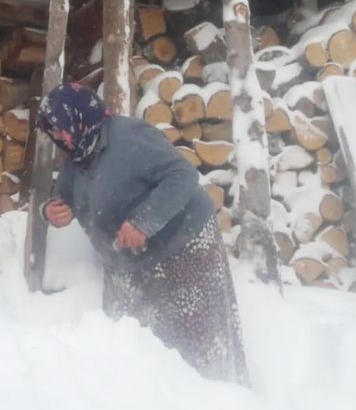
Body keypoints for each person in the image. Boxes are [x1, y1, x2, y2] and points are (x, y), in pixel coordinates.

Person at [37, 82, 249, 385]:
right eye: (51, 131)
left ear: (80, 117)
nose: (57, 136)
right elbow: (64, 197)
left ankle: (216, 399)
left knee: (196, 334)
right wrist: (50, 211)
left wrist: (142, 222)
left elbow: (183, 176)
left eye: (60, 128)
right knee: (134, 340)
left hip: (182, 245)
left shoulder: (131, 138)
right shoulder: (78, 153)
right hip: (126, 261)